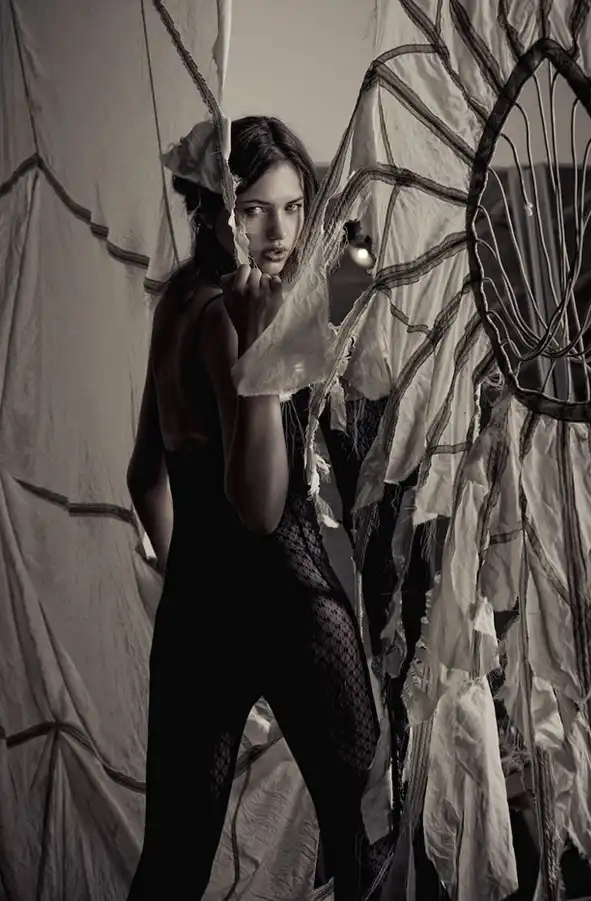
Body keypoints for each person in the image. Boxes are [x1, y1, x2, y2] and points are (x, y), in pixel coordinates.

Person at [125, 115, 391, 900]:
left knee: (171, 864)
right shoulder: (227, 318)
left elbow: (145, 476)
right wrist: (260, 355)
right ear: (215, 208)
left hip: (196, 621)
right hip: (293, 608)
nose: (279, 233)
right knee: (360, 836)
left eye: (294, 207)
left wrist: (190, 579)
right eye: (254, 210)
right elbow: (261, 509)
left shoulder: (179, 302)